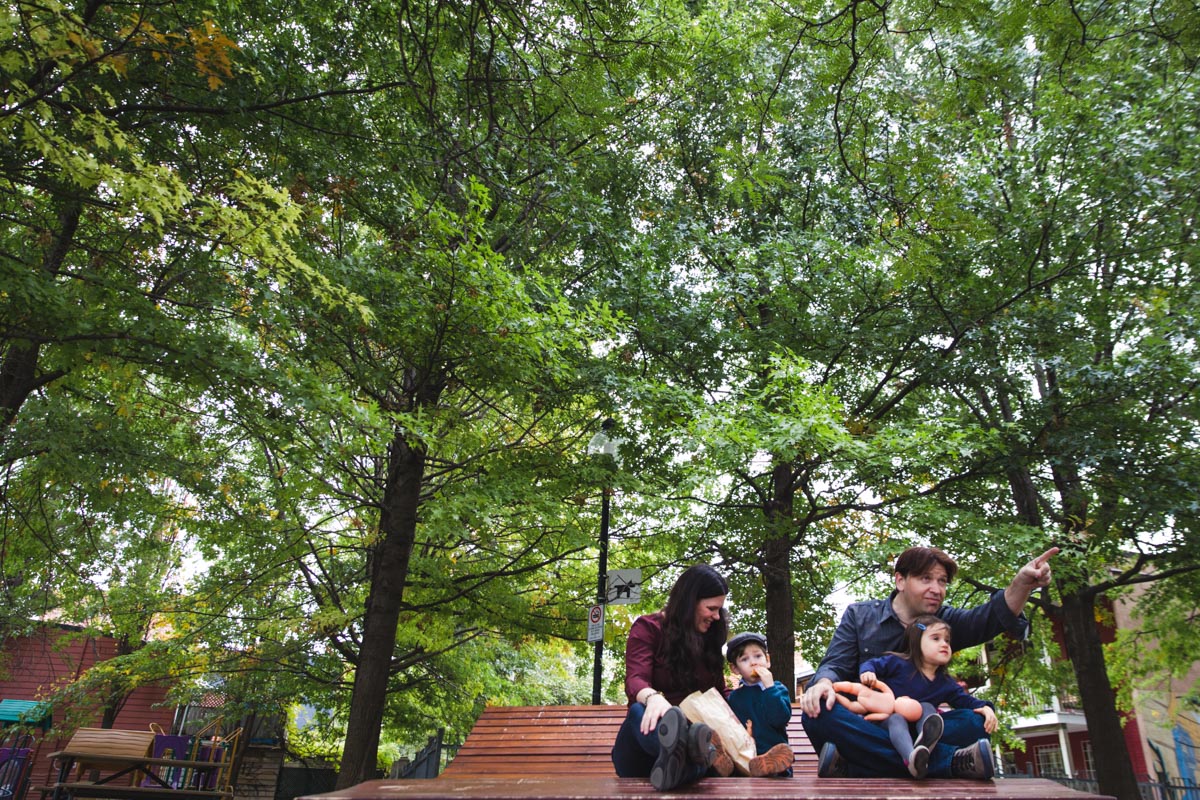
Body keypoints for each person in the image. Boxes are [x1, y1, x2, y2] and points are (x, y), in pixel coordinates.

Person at [800, 545, 1058, 780]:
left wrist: (1022, 585)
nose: (937, 589)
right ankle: (950, 763)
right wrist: (822, 683)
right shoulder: (859, 616)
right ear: (900, 580)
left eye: (942, 581)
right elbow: (835, 664)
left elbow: (987, 619)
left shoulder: (945, 621)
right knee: (817, 711)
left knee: (977, 722)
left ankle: (856, 765)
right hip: (870, 723)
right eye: (926, 578)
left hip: (925, 728)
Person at [611, 564, 731, 790]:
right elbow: (636, 679)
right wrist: (653, 697)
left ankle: (682, 765)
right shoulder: (648, 628)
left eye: (719, 610)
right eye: (711, 608)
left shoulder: (710, 639)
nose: (716, 616)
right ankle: (687, 755)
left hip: (697, 739)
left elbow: (719, 694)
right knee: (639, 711)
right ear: (690, 602)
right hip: (642, 752)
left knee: (700, 742)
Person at [853, 615, 998, 778]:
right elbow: (871, 664)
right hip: (889, 723)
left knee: (933, 709)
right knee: (897, 719)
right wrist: (868, 672)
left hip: (919, 727)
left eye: (947, 640)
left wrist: (986, 708)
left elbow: (967, 702)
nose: (944, 644)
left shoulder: (945, 682)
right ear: (916, 641)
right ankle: (911, 760)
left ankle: (926, 742)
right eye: (936, 638)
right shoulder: (897, 663)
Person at [724, 632, 795, 777]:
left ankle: (765, 765)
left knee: (775, 756)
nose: (753, 663)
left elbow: (779, 719)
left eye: (758, 656)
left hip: (776, 761)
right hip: (746, 760)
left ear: (767, 660)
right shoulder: (735, 698)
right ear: (735, 669)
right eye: (744, 659)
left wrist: (770, 687)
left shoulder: (778, 690)